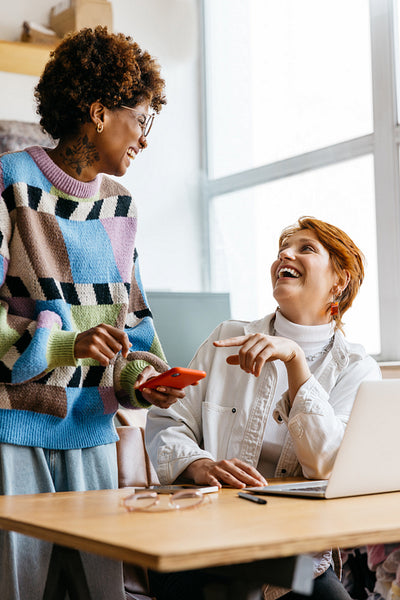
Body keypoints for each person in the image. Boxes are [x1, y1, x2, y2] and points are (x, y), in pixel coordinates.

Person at [0, 26, 184, 600]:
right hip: (16, 432)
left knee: (102, 592)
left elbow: (132, 326)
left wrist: (144, 378)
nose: (145, 139)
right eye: (143, 119)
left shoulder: (120, 208)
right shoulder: (9, 182)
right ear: (100, 111)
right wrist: (63, 345)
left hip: (92, 434)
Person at [146, 216, 382, 600]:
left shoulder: (358, 368)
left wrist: (295, 364)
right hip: (202, 547)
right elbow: (168, 419)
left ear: (339, 282)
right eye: (282, 250)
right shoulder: (226, 338)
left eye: (306, 248)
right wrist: (198, 464)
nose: (285, 255)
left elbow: (326, 463)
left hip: (297, 560)